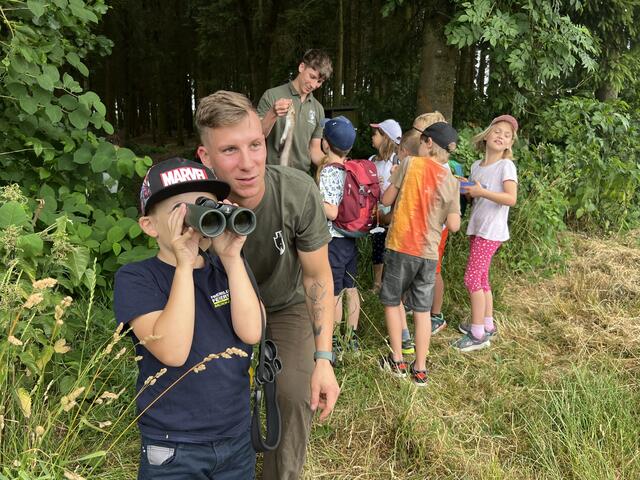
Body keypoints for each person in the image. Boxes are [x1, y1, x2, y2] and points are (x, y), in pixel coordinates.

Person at [195, 90, 340, 480]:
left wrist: (323, 359)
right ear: (205, 157)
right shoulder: (195, 203)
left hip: (285, 304)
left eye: (255, 144)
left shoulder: (296, 190)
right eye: (229, 151)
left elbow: (317, 275)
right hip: (219, 307)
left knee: (294, 395)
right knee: (212, 393)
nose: (248, 163)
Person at [113, 157, 263, 479]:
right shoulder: (137, 277)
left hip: (235, 434)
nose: (193, 218)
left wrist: (232, 257)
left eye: (203, 206)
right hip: (173, 443)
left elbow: (253, 332)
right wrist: (184, 264)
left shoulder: (226, 269)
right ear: (149, 225)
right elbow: (173, 351)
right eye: (179, 210)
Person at [379, 122, 461, 386]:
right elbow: (456, 225)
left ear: (427, 142)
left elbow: (386, 200)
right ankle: (421, 369)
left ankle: (397, 361)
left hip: (401, 245)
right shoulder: (451, 180)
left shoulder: (410, 164)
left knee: (392, 302)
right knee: (423, 311)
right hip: (428, 252)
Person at [453, 114, 518, 352]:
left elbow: (511, 198)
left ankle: (478, 333)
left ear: (510, 143)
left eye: (507, 135)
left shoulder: (506, 166)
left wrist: (482, 192)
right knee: (481, 279)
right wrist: (467, 188)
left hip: (491, 231)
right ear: (487, 135)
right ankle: (488, 324)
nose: (501, 136)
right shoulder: (476, 167)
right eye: (497, 131)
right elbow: (476, 193)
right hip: (478, 228)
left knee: (471, 279)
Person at [317, 116, 360, 352]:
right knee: (351, 288)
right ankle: (351, 336)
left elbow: (331, 212)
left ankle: (333, 338)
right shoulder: (351, 169)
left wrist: (314, 198)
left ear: (325, 144)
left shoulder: (328, 173)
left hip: (334, 239)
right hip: (351, 236)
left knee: (333, 291)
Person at [257, 49, 333, 172]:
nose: (314, 85)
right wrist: (272, 113)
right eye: (312, 77)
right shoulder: (271, 95)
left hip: (301, 178)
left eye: (319, 82)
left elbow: (314, 150)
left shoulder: (318, 109)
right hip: (272, 174)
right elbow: (258, 136)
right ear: (301, 67)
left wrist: (334, 164)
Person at [369, 119, 402, 294]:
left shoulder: (396, 162)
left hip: (392, 212)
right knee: (378, 246)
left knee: (392, 249)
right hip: (377, 211)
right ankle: (377, 283)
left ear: (386, 137)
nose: (372, 137)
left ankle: (391, 283)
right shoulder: (371, 160)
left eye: (376, 134)